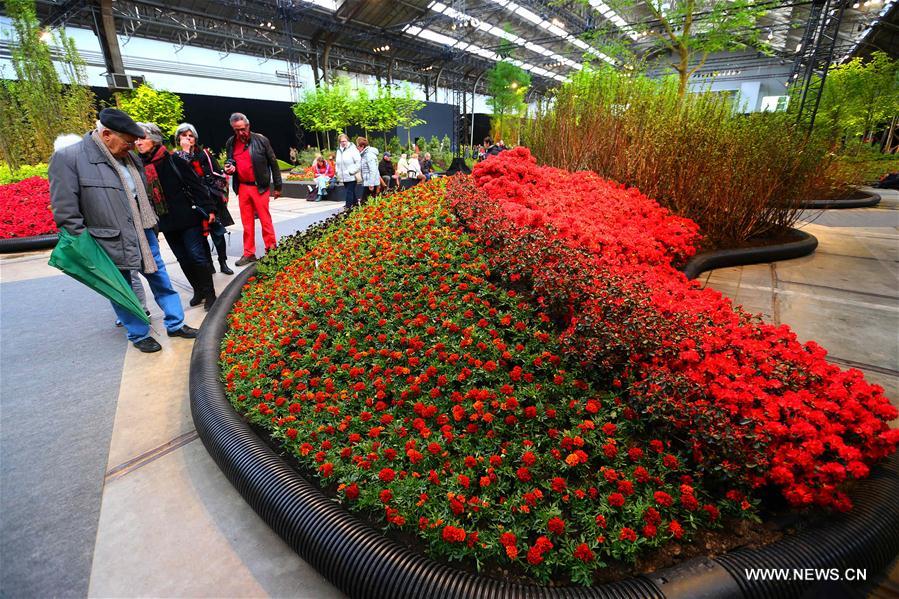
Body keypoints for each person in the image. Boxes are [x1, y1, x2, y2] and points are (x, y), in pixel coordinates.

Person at [48, 108, 198, 353]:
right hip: (107, 239)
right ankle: (139, 334)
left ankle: (176, 323)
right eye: (128, 142)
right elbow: (65, 209)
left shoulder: (130, 156)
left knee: (160, 276)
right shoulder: (69, 158)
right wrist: (83, 244)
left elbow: (141, 195)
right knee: (122, 288)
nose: (132, 147)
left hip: (143, 231)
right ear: (106, 134)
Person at [136, 123, 218, 311]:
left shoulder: (173, 161)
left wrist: (210, 209)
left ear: (154, 139)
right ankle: (198, 290)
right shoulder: (140, 166)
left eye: (142, 138)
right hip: (166, 221)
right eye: (136, 139)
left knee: (196, 255)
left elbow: (196, 186)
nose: (137, 142)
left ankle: (210, 292)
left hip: (188, 218)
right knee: (182, 258)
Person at [174, 122, 235, 276]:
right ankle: (209, 265)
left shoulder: (205, 154)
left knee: (218, 233)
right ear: (178, 138)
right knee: (201, 236)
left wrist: (218, 193)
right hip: (193, 203)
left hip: (212, 199)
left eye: (191, 135)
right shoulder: (176, 157)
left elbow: (218, 174)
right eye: (184, 135)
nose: (188, 138)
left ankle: (223, 262)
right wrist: (185, 152)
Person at [223, 113, 281, 266]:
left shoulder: (261, 140)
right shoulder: (231, 142)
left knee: (265, 221)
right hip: (243, 187)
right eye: (236, 130)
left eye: (242, 129)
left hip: (259, 187)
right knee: (247, 224)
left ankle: (272, 250)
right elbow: (231, 160)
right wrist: (230, 167)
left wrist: (278, 186)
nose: (240, 133)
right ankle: (249, 253)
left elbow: (273, 163)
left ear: (248, 125)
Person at [334, 133, 361, 210]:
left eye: (345, 141)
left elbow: (358, 162)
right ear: (339, 142)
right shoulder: (339, 150)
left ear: (347, 140)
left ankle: (347, 207)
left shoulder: (353, 149)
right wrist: (337, 171)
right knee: (351, 192)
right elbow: (337, 162)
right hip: (343, 176)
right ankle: (356, 206)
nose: (343, 143)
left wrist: (351, 171)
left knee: (349, 192)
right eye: (342, 141)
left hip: (352, 175)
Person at [357, 136, 380, 204]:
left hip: (370, 182)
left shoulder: (369, 155)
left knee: (366, 202)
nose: (357, 148)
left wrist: (371, 184)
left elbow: (373, 170)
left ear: (362, 146)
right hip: (368, 181)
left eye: (358, 146)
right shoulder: (365, 154)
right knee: (368, 202)